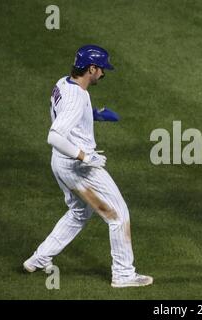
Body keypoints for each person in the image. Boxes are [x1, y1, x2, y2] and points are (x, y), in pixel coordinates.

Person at [23, 45, 153, 288]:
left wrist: (91, 114)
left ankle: (39, 258)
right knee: (118, 215)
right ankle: (123, 274)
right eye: (102, 69)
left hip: (60, 164)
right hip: (77, 167)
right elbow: (54, 135)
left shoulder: (63, 83)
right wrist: (85, 157)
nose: (104, 74)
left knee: (79, 212)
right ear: (91, 69)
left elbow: (66, 114)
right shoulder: (77, 96)